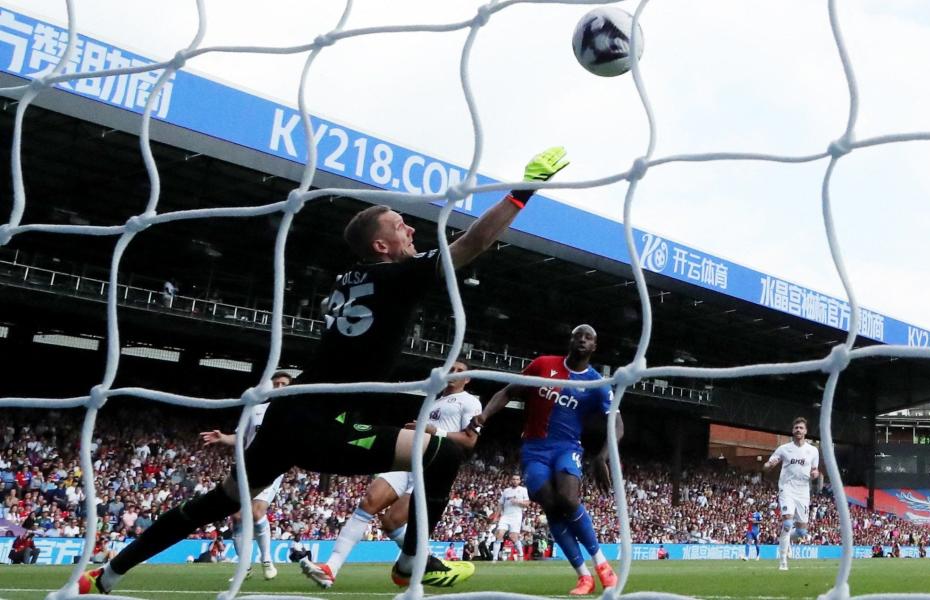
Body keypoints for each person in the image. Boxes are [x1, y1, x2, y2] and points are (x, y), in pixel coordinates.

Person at [78, 147, 570, 594]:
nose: (412, 231)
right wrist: (522, 192)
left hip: (291, 415)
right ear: (381, 246)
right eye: (401, 226)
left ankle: (111, 573)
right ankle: (412, 564)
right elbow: (474, 243)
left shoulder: (353, 276)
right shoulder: (398, 275)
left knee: (221, 499)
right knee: (442, 455)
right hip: (321, 422)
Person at [304, 359, 481, 588]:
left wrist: (433, 431)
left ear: (467, 379)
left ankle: (422, 561)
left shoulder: (470, 402)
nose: (453, 374)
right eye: (451, 369)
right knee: (369, 501)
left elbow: (470, 440)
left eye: (459, 371)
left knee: (391, 522)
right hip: (411, 459)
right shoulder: (435, 401)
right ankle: (331, 568)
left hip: (432, 466)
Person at [475, 324, 623, 596]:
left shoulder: (596, 384)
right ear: (570, 341)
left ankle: (602, 565)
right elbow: (508, 391)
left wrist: (602, 456)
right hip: (534, 449)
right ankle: (583, 577)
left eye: (588, 337)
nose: (582, 340)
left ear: (594, 347)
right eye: (578, 335)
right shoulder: (543, 365)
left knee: (568, 498)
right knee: (551, 506)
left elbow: (616, 422)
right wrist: (485, 416)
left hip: (567, 447)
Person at [199, 371, 292, 581]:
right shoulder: (255, 410)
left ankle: (267, 560)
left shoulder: (292, 414)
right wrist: (223, 437)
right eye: (275, 384)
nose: (278, 388)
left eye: (283, 384)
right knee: (238, 516)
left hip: (273, 468)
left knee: (257, 512)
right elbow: (240, 438)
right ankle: (244, 568)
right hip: (249, 467)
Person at [763, 417, 820, 572]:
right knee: (787, 523)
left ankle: (786, 541)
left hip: (803, 491)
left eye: (801, 428)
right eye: (796, 428)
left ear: (806, 431)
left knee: (802, 532)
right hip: (787, 488)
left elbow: (815, 469)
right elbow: (767, 465)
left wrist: (815, 473)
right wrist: (768, 465)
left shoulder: (813, 450)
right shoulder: (784, 449)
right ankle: (783, 563)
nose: (798, 430)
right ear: (792, 431)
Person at [491, 474, 529, 562]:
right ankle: (495, 559)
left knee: (513, 537)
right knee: (499, 534)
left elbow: (527, 503)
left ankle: (520, 553)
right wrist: (496, 517)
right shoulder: (506, 491)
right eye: (514, 479)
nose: (515, 481)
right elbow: (500, 504)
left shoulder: (523, 490)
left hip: (516, 517)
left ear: (519, 481)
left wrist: (518, 501)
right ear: (511, 480)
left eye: (517, 479)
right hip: (505, 516)